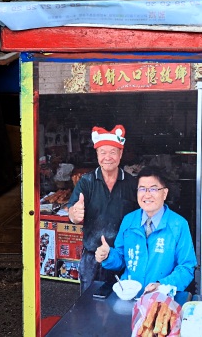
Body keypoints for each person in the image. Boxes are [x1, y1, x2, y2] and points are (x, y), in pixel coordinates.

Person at [95, 167, 196, 294]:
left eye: (153, 189)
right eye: (142, 189)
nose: (147, 195)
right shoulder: (129, 220)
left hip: (161, 298)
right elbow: (121, 259)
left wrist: (162, 285)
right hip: (129, 295)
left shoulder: (178, 225)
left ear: (164, 193)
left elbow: (186, 267)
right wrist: (108, 255)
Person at [66, 124, 138, 295]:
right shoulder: (87, 182)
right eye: (103, 152)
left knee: (119, 304)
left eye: (113, 152)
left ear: (121, 154)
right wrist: (74, 215)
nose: (108, 157)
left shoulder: (131, 184)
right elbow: (73, 211)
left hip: (121, 256)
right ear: (97, 154)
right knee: (88, 304)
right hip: (92, 256)